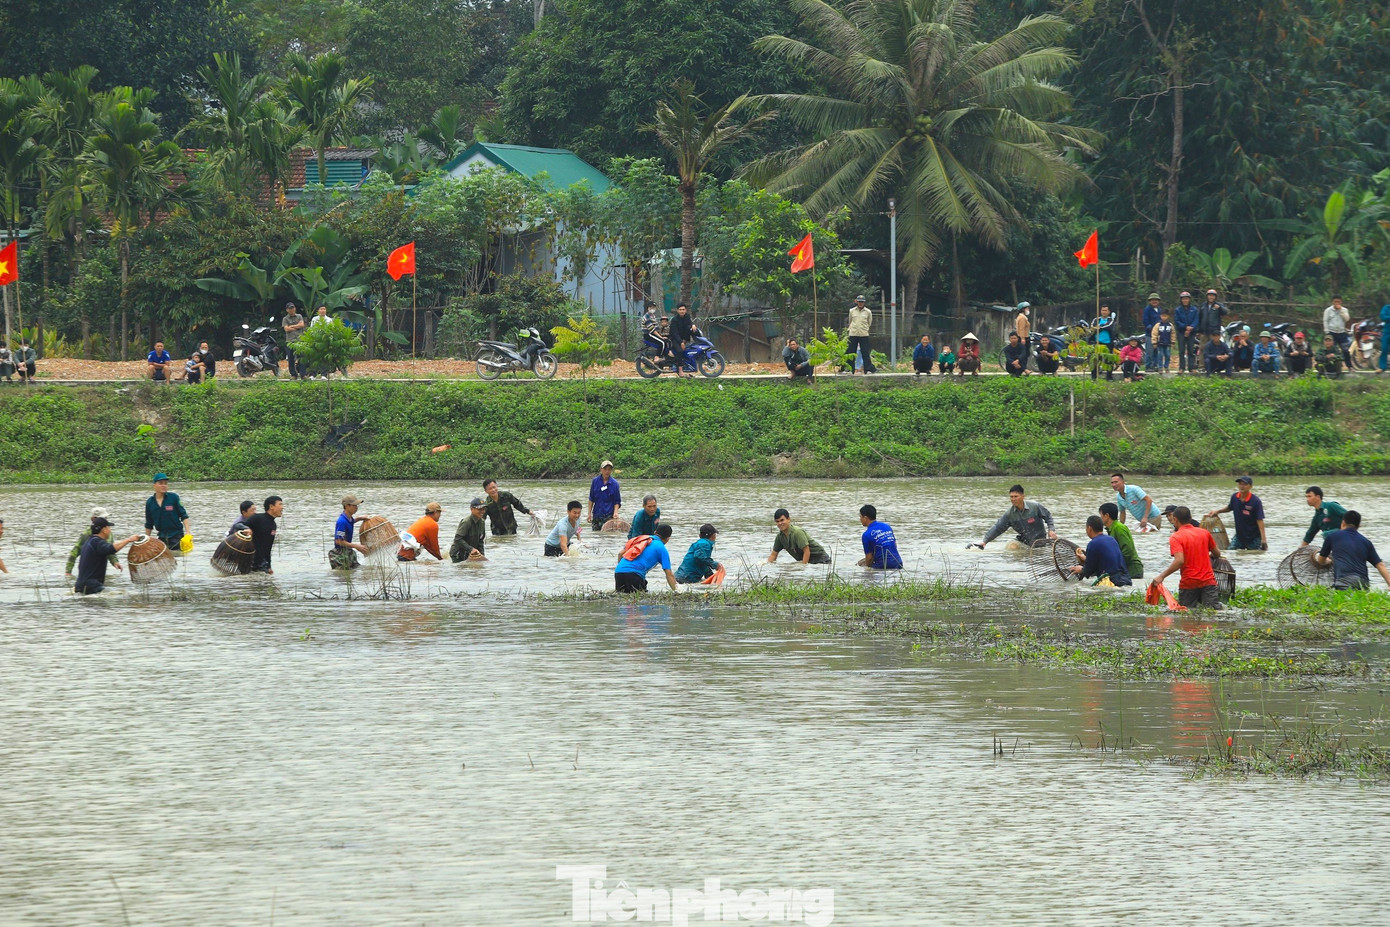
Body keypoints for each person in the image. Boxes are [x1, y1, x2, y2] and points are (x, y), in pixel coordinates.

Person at [1149, 505, 1221, 608]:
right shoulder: (1204, 533)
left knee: (1187, 615)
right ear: (1190, 517)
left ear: (1175, 519)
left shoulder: (1176, 537)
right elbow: (1217, 554)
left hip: (1189, 583)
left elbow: (1179, 561)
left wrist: (1162, 576)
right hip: (1208, 582)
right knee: (1212, 613)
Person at [1315, 511, 1390, 590]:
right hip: (1363, 583)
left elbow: (1321, 560)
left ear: (1343, 523)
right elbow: (1380, 565)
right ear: (1359, 525)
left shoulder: (1332, 537)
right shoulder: (1366, 542)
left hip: (1344, 581)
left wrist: (1327, 561)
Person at [972, 485, 1057, 549]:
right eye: (1011, 497)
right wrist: (985, 541)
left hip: (1040, 542)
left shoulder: (1035, 506)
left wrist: (1051, 530)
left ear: (1023, 496)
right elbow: (998, 528)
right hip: (1024, 542)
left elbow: (1048, 516)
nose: (1013, 499)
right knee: (1012, 547)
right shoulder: (1009, 514)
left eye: (1016, 496)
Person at [73, 518, 142, 594]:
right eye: (109, 527)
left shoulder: (89, 542)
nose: (110, 530)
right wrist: (129, 540)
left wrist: (114, 562)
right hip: (91, 586)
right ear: (104, 530)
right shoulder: (97, 542)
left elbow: (106, 550)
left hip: (80, 585)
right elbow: (111, 548)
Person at [614, 522, 678, 592]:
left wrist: (623, 570)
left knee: (622, 596)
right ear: (668, 538)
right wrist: (677, 591)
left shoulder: (641, 539)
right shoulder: (661, 548)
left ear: (655, 532)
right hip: (634, 575)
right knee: (639, 598)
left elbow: (620, 553)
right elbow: (669, 575)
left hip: (618, 572)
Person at [1207, 476, 1268, 551]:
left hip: (1254, 537)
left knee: (1254, 555)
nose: (1242, 486)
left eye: (1245, 484)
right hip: (1239, 536)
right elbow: (1229, 507)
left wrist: (1263, 540)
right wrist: (1217, 511)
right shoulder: (1234, 497)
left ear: (1251, 486)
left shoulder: (1255, 501)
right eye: (1240, 484)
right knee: (1230, 552)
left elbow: (1260, 520)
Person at [1071, 515, 1132, 586]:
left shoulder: (1092, 544)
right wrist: (1085, 558)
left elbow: (1088, 571)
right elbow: (1106, 561)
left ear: (1089, 528)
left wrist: (1080, 569)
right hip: (1127, 579)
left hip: (1112, 582)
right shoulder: (1111, 539)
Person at [65, 507, 122, 580]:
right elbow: (74, 552)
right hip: (87, 570)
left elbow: (109, 550)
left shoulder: (108, 533)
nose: (105, 520)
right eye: (103, 518)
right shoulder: (86, 534)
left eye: (105, 518)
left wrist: (115, 562)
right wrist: (68, 572)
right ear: (93, 519)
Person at [767, 508, 832, 564]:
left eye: (782, 520)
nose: (780, 523)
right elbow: (773, 555)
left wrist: (803, 568)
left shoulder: (797, 532)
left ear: (788, 519)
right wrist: (766, 566)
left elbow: (807, 551)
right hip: (808, 561)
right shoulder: (780, 537)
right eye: (777, 521)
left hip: (821, 560)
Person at [145, 472, 190, 548]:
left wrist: (188, 533)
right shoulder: (150, 502)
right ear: (154, 485)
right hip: (162, 537)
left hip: (177, 536)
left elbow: (184, 516)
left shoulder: (174, 498)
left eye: (165, 483)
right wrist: (146, 540)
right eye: (161, 483)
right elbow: (149, 524)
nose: (164, 485)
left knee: (178, 554)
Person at [1099, 503, 1142, 579]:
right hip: (1125, 569)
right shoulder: (1112, 528)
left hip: (1132, 569)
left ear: (1107, 516)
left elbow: (1128, 550)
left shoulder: (1119, 528)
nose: (1100, 518)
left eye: (1101, 515)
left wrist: (1115, 565)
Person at [243, 496, 282, 574]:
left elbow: (268, 547)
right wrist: (246, 528)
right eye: (280, 504)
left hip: (263, 564)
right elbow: (238, 525)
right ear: (271, 506)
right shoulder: (257, 518)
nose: (282, 507)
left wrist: (269, 566)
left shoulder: (273, 525)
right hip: (251, 562)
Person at [329, 494, 369, 569]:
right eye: (354, 505)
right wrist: (356, 546)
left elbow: (350, 522)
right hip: (340, 554)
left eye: (357, 505)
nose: (356, 508)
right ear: (347, 506)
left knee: (358, 570)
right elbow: (338, 541)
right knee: (343, 574)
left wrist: (359, 518)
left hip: (348, 551)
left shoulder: (348, 518)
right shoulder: (341, 521)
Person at [857, 504, 903, 569]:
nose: (860, 519)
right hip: (898, 563)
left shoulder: (866, 535)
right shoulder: (887, 526)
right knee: (862, 561)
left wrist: (867, 568)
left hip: (883, 566)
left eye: (860, 517)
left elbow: (869, 559)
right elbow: (894, 545)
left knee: (859, 564)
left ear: (865, 518)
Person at [587, 460, 622, 531]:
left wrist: (615, 513)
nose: (607, 471)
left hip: (609, 515)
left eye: (609, 469)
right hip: (597, 514)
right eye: (605, 469)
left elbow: (617, 501)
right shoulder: (595, 481)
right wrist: (589, 514)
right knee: (596, 534)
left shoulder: (615, 484)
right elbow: (591, 499)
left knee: (608, 534)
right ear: (601, 469)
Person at [845, 295, 876, 374]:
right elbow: (850, 321)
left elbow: (869, 322)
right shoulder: (852, 311)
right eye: (859, 302)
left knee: (865, 352)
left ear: (864, 302)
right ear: (856, 302)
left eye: (862, 302)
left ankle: (868, 369)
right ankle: (849, 369)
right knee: (851, 352)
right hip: (853, 334)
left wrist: (864, 329)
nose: (860, 303)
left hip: (863, 334)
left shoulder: (868, 312)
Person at [668, 302, 697, 375]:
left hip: (683, 338)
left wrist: (693, 325)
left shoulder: (687, 316)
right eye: (680, 310)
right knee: (680, 351)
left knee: (687, 350)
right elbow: (674, 333)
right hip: (675, 338)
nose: (682, 311)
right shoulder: (674, 319)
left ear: (685, 310)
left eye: (683, 309)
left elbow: (690, 323)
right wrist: (681, 342)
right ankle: (680, 370)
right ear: (677, 310)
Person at [1174, 291, 1199, 373]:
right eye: (1183, 299)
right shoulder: (1178, 310)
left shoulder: (1194, 309)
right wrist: (1185, 327)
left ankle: (1191, 367)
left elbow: (1196, 320)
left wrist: (1191, 328)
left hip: (1191, 332)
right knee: (1181, 350)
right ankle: (1181, 367)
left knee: (1191, 350)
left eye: (1186, 299)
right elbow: (1177, 321)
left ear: (1189, 299)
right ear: (1181, 300)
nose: (1185, 300)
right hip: (1181, 332)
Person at [1324, 295, 1351, 365]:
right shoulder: (1328, 310)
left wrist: (1341, 311)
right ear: (1333, 302)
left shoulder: (1344, 310)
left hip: (1342, 332)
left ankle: (1349, 366)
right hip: (1332, 332)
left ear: (1341, 302)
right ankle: (1332, 365)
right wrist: (1327, 332)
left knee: (1345, 350)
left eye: (1338, 302)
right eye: (1335, 302)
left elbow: (1347, 319)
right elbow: (1325, 321)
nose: (1337, 303)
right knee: (1332, 350)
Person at [282, 301, 307, 379]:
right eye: (290, 308)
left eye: (293, 308)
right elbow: (286, 329)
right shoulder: (285, 319)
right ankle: (293, 374)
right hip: (290, 341)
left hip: (300, 340)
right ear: (287, 310)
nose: (292, 310)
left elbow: (302, 325)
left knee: (302, 358)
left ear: (295, 308)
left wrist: (291, 326)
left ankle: (303, 374)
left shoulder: (299, 316)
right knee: (291, 359)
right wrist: (297, 326)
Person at [1142, 293, 1163, 371]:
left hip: (1159, 334)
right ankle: (1148, 366)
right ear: (1150, 301)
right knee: (1149, 351)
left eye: (1156, 300)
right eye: (1153, 300)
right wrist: (1152, 329)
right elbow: (1145, 320)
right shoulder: (1147, 309)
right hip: (1150, 334)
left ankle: (1155, 365)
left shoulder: (1160, 310)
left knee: (1157, 351)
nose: (1154, 301)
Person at [1015, 302, 1031, 369]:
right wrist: (1023, 338)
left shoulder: (1022, 317)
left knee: (1024, 353)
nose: (1028, 309)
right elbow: (1022, 329)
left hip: (1023, 337)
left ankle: (1023, 367)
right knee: (1024, 353)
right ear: (1023, 309)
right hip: (1024, 338)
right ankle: (1023, 368)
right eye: (1027, 308)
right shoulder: (1022, 318)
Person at [1380, 303, 1390, 373]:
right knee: (1384, 349)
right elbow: (1383, 317)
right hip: (1387, 332)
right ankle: (1382, 367)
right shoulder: (1386, 307)